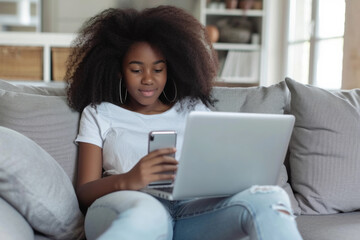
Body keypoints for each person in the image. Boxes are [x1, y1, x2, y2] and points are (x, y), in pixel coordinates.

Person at [66, 5, 303, 240]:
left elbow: (216, 166)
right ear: (119, 71)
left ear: (171, 70)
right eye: (136, 70)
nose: (148, 79)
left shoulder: (194, 109)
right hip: (131, 204)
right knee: (146, 213)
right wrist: (130, 179)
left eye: (158, 69)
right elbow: (85, 191)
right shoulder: (99, 113)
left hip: (190, 210)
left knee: (270, 197)